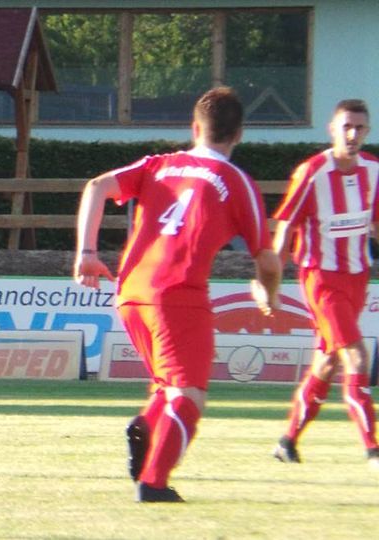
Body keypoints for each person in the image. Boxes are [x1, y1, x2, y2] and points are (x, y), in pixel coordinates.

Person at [73, 86, 282, 503]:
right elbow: (269, 260)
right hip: (178, 295)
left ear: (195, 128)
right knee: (189, 395)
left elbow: (96, 186)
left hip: (131, 293)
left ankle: (147, 428)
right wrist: (268, 293)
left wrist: (86, 254)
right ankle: (154, 483)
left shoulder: (160, 164)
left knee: (168, 385)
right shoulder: (237, 182)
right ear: (239, 134)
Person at [271, 99, 379, 469]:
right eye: (346, 126)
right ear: (332, 129)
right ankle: (372, 449)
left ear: (367, 131)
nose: (352, 134)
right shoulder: (313, 172)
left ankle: (287, 441)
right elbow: (286, 226)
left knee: (327, 363)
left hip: (357, 279)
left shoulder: (374, 170)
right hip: (321, 279)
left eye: (359, 128)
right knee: (357, 356)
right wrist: (270, 279)